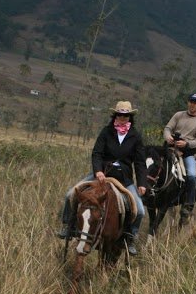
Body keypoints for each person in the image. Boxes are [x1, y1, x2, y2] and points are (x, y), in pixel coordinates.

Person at [58, 100, 147, 255]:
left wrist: (142, 183)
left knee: (139, 211)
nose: (122, 118)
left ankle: (130, 238)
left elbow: (140, 162)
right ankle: (68, 226)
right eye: (119, 115)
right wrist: (98, 171)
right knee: (70, 194)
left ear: (130, 117)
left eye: (126, 115)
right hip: (102, 174)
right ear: (115, 116)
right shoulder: (106, 132)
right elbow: (97, 153)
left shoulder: (136, 136)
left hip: (123, 178)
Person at [163, 92, 196, 227]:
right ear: (188, 102)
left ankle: (188, 204)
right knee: (155, 166)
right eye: (191, 102)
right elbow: (168, 128)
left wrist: (186, 143)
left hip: (187, 153)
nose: (192, 105)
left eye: (195, 102)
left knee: (192, 176)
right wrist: (168, 137)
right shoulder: (178, 115)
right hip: (171, 148)